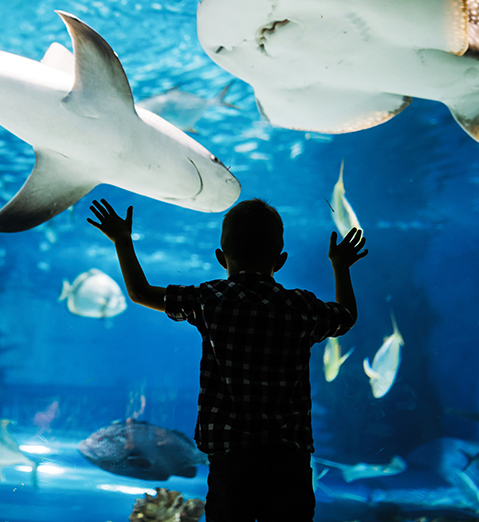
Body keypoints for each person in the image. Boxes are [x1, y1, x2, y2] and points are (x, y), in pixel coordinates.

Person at [87, 197, 368, 522]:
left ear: (221, 257)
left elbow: (139, 292)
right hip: (288, 455)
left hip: (230, 455)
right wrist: (341, 266)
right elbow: (346, 317)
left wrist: (122, 240)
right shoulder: (300, 307)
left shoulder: (210, 300)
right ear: (281, 260)